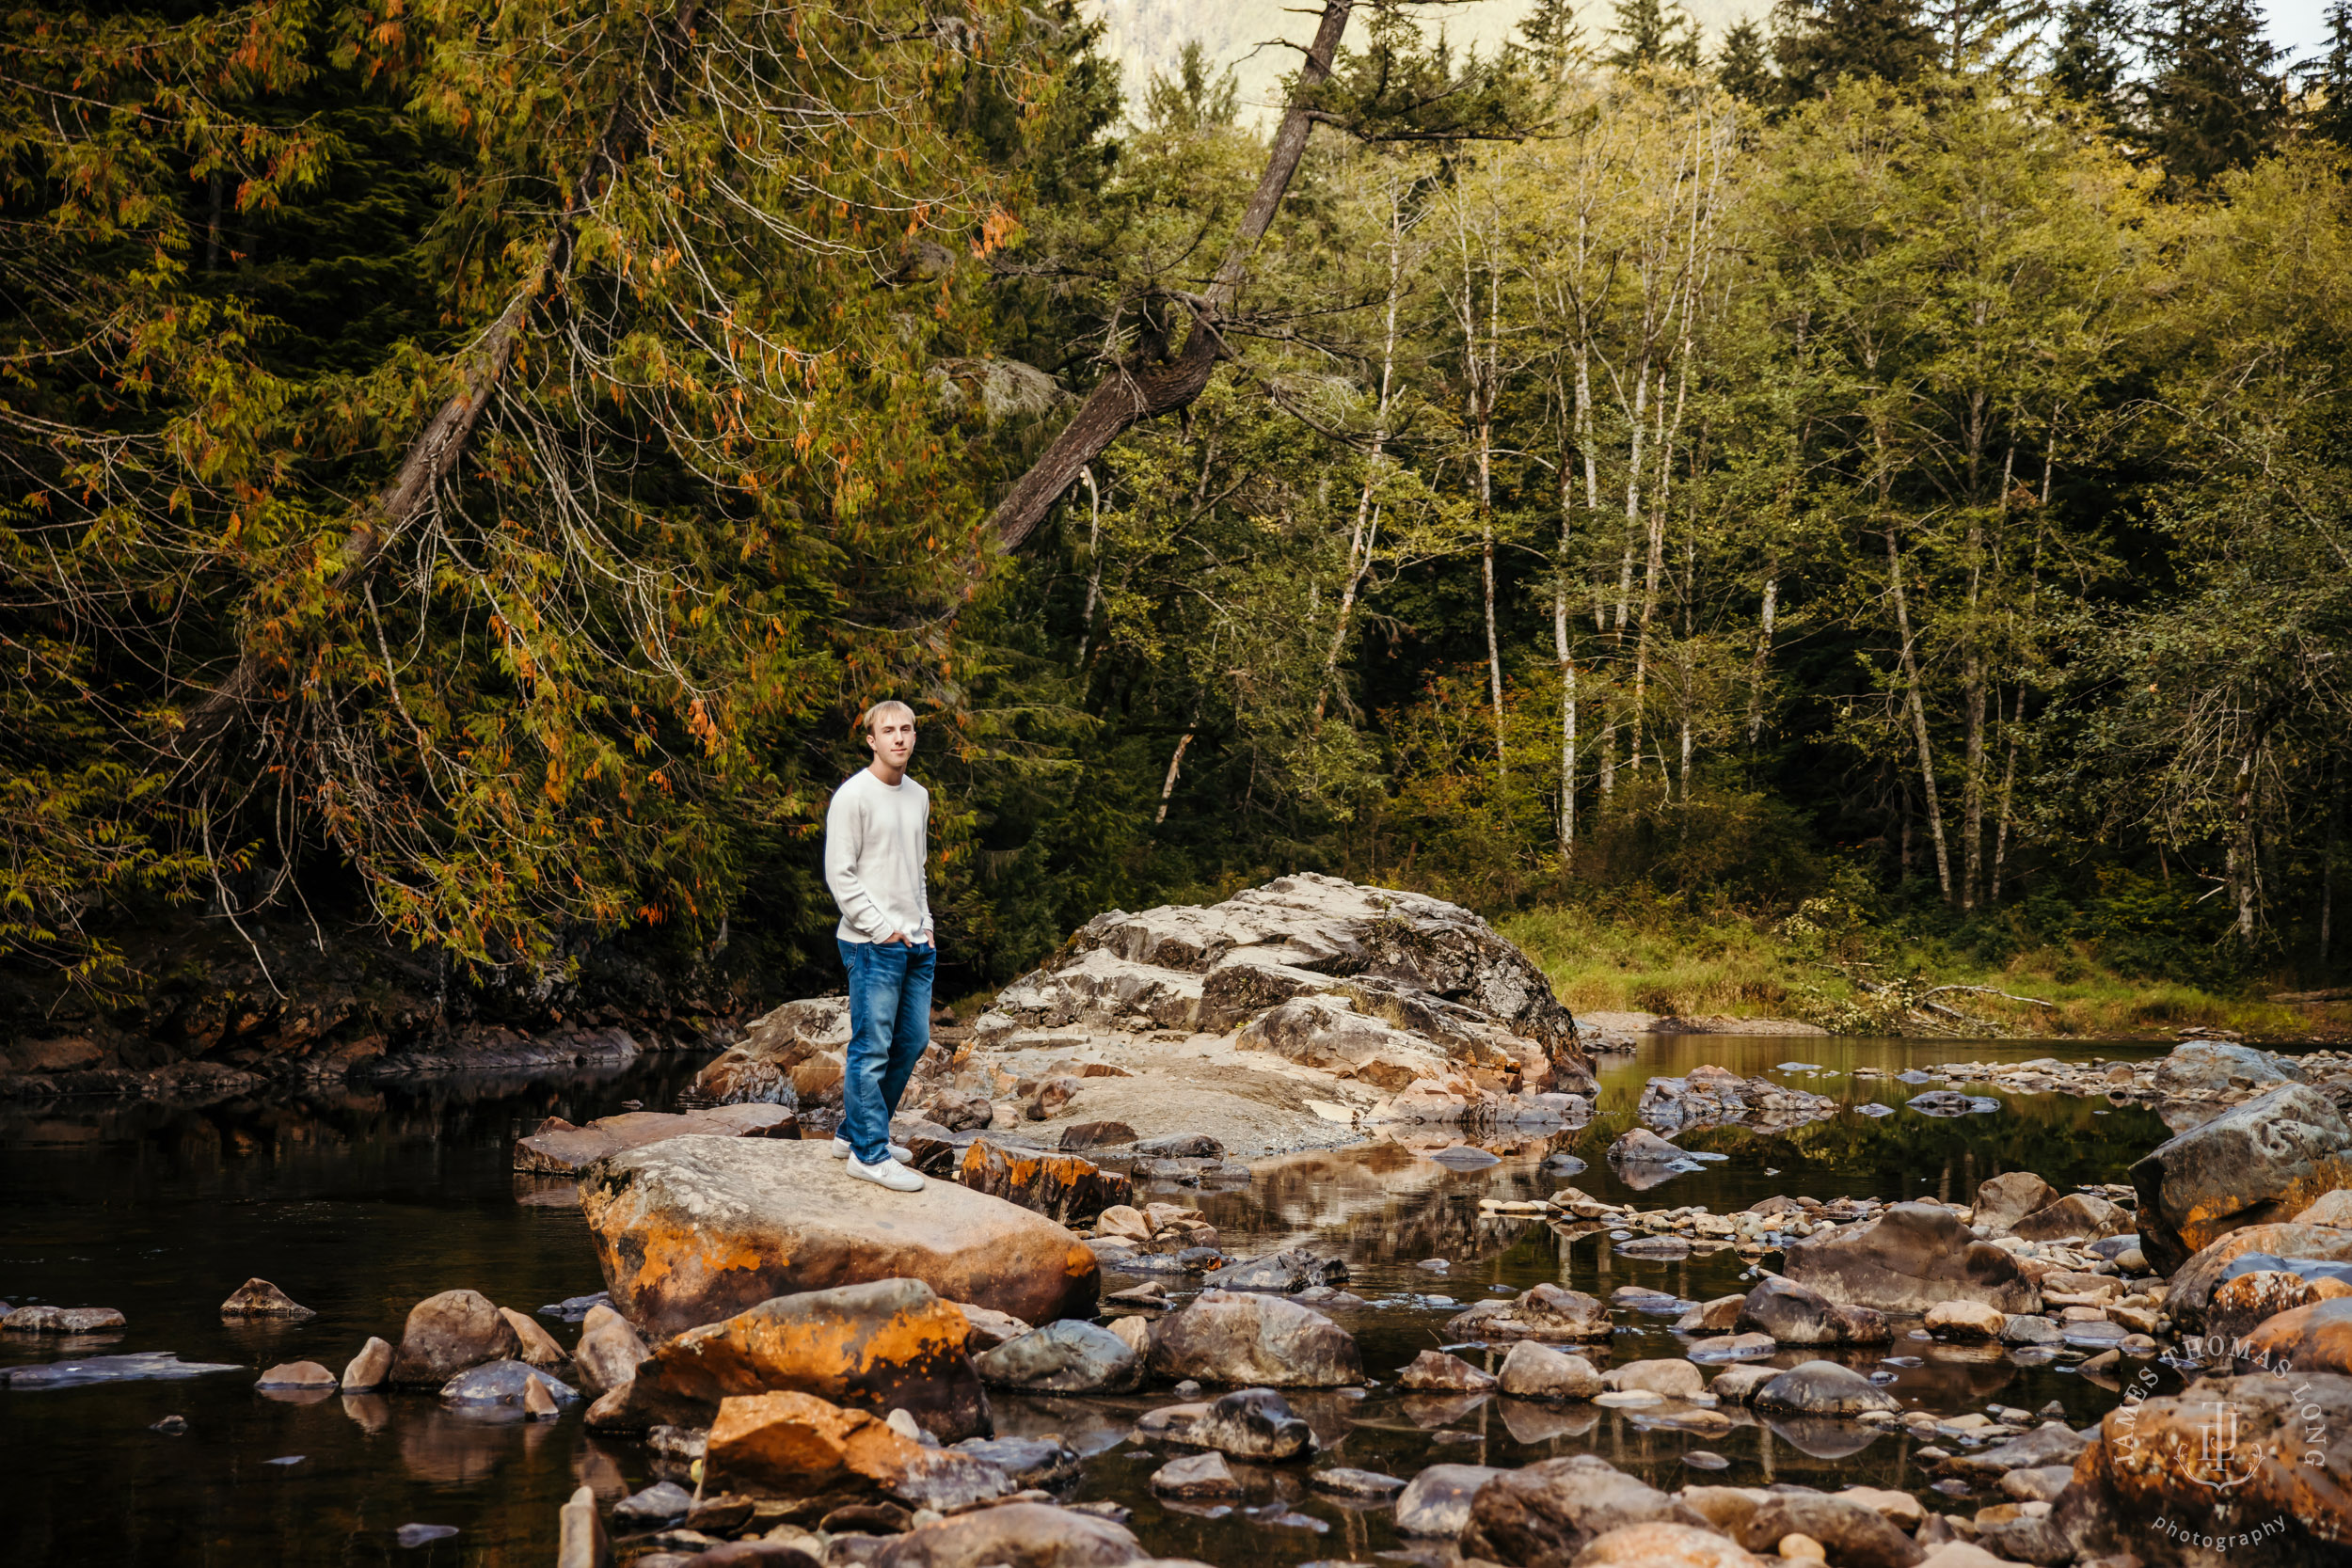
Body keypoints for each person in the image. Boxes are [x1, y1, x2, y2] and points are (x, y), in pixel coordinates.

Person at [822, 699, 935, 1192]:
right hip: (871, 943)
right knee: (871, 1049)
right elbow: (839, 875)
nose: (898, 738)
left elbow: (918, 868)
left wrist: (925, 925)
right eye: (887, 731)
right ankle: (869, 1155)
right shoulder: (853, 796)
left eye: (906, 729)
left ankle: (854, 1134)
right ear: (871, 740)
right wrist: (879, 928)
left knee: (912, 1041)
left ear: (914, 736)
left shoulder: (919, 796)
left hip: (915, 941)